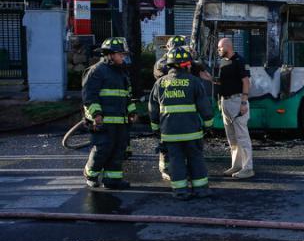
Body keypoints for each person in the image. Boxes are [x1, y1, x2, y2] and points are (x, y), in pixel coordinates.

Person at [148, 47, 214, 200]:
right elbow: (204, 107)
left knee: (176, 161)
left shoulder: (160, 83)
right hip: (192, 132)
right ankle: (201, 190)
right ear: (184, 65)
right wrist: (208, 125)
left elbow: (153, 109)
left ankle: (180, 191)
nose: (190, 66)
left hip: (170, 133)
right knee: (196, 159)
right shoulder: (194, 82)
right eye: (188, 64)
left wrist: (156, 129)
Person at [82, 37, 136, 189]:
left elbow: (127, 95)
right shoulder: (96, 71)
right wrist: (96, 115)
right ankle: (90, 175)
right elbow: (89, 96)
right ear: (109, 54)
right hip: (103, 121)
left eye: (124, 54)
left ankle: (112, 179)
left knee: (118, 150)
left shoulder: (121, 72)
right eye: (120, 54)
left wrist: (131, 112)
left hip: (120, 121)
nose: (123, 57)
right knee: (102, 150)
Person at [216, 37, 254, 179]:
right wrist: (209, 78)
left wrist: (243, 103)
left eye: (220, 47)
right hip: (225, 102)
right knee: (232, 137)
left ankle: (248, 168)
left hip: (237, 101)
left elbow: (246, 82)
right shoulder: (223, 62)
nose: (218, 50)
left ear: (228, 46)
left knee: (242, 136)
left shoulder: (239, 61)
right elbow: (223, 82)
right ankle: (237, 165)